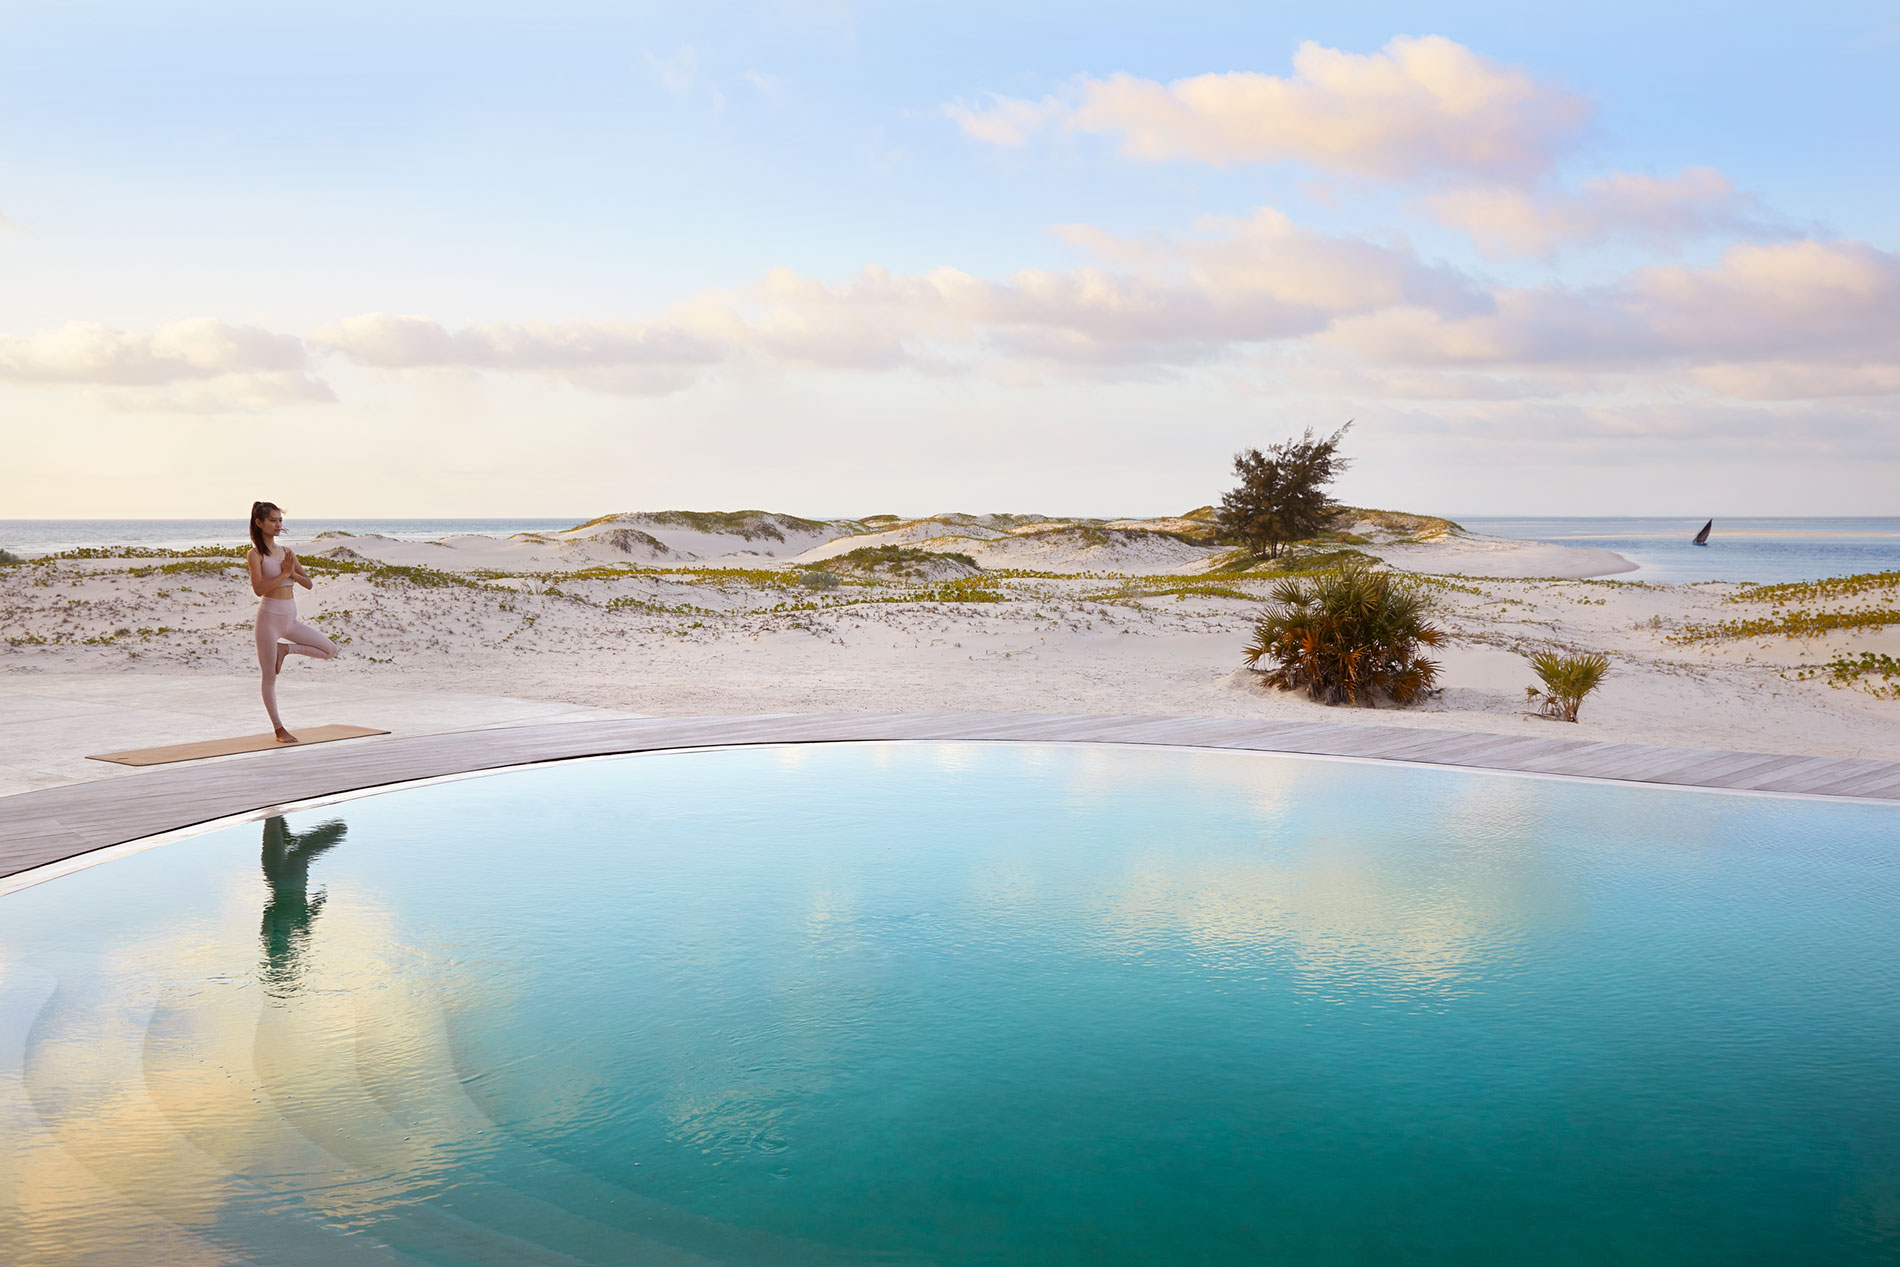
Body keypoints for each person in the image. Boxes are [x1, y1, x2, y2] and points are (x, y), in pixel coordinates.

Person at [246, 501, 338, 743]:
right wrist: (284, 575)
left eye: (280, 520)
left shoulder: (287, 552)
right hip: (268, 619)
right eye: (273, 520)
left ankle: (285, 649)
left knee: (330, 650)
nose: (278, 525)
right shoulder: (255, 555)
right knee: (269, 678)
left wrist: (292, 573)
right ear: (259, 523)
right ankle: (279, 729)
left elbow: (308, 583)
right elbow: (259, 588)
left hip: (290, 619)